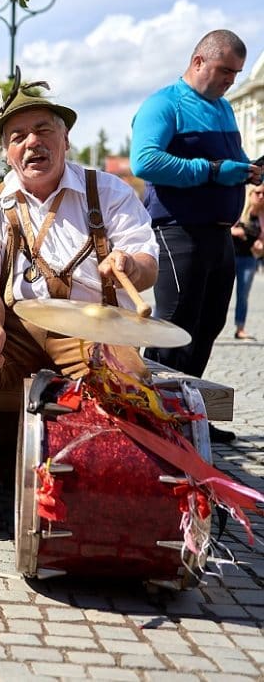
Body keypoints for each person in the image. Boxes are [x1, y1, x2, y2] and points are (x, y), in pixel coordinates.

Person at [0, 78, 158, 534]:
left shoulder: (108, 191)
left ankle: (111, 490)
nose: (32, 142)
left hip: (91, 329)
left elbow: (147, 265)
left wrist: (129, 263)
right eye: (18, 136)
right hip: (18, 330)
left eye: (43, 130)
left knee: (130, 374)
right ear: (8, 152)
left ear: (65, 138)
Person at [130, 29, 262, 443]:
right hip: (178, 231)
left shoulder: (222, 108)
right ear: (198, 61)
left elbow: (231, 161)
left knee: (208, 324)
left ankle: (187, 417)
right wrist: (213, 171)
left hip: (219, 234)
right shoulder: (163, 104)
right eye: (225, 71)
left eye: (236, 73)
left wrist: (249, 169)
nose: (231, 81)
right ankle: (151, 420)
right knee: (175, 327)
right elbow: (144, 161)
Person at [231, 184, 264, 340]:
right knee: (219, 292)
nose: (261, 196)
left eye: (263, 194)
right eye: (258, 193)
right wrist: (236, 231)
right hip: (230, 256)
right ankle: (210, 326)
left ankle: (240, 328)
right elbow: (224, 229)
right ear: (250, 194)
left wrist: (261, 245)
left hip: (249, 259)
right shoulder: (239, 212)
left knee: (243, 294)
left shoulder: (262, 216)